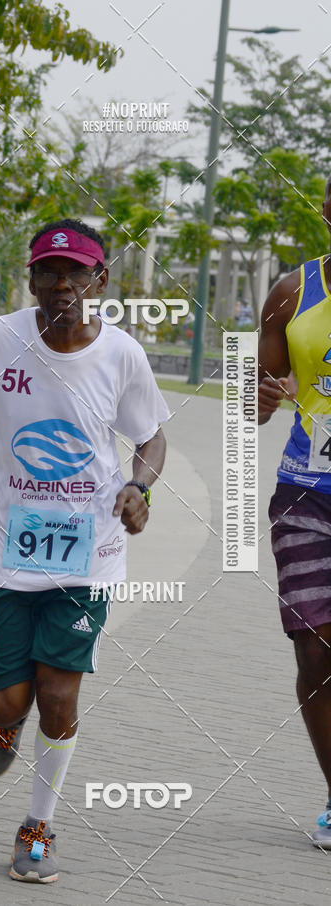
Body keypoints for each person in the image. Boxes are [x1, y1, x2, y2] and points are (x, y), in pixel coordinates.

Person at [0, 218, 170, 882]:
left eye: (75, 272)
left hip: (88, 555)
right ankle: (0, 723)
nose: (61, 284)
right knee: (10, 700)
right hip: (6, 554)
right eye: (47, 271)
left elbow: (151, 439)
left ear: (101, 279)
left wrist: (137, 486)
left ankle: (37, 826)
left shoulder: (120, 354)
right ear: (30, 278)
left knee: (59, 696)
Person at [258, 175, 331, 849]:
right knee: (315, 649)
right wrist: (269, 392)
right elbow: (254, 400)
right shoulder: (292, 292)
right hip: (307, 490)